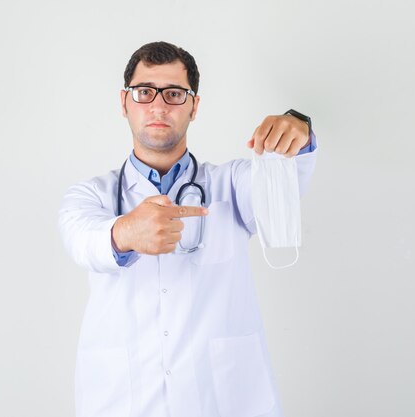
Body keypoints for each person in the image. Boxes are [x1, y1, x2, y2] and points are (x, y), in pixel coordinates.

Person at [59, 41, 317, 417]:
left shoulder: (230, 185)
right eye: (144, 92)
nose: (159, 105)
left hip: (221, 400)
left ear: (194, 106)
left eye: (175, 94)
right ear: (124, 103)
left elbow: (283, 185)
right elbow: (80, 238)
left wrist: (298, 130)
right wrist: (127, 232)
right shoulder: (91, 195)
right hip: (125, 400)